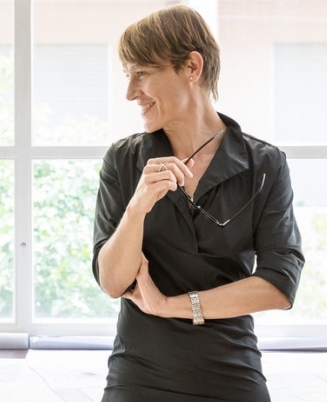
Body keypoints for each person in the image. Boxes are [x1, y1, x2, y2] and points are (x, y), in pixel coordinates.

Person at [91, 5, 304, 402]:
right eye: (127, 76)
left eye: (142, 73)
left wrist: (170, 305)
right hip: (139, 374)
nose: (130, 92)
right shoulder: (123, 160)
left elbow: (279, 284)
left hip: (233, 373)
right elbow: (113, 281)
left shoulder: (264, 164)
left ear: (192, 66)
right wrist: (138, 206)